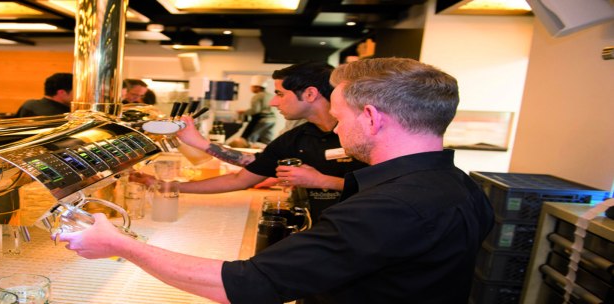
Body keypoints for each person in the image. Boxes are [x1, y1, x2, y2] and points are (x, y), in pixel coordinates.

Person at [58, 57, 495, 303]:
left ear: (371, 118)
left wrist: (120, 245)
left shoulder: (392, 207)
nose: (337, 131)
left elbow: (244, 285)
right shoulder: (460, 186)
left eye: (341, 118)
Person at [170, 61, 367, 221]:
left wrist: (322, 181)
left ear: (310, 94)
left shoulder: (363, 131)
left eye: (280, 94)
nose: (273, 102)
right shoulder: (297, 138)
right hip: (325, 228)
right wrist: (172, 186)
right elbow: (241, 177)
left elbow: (389, 185)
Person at [239, 76, 275, 144]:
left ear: (257, 87)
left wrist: (244, 112)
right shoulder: (270, 95)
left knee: (249, 139)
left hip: (261, 119)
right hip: (272, 119)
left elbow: (255, 110)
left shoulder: (258, 96)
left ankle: (247, 154)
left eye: (252, 86)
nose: (251, 88)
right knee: (266, 139)